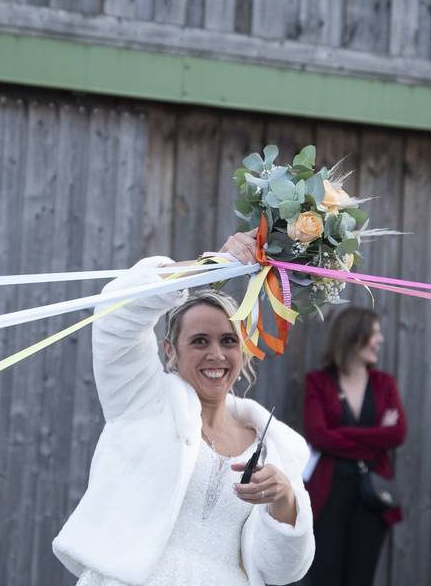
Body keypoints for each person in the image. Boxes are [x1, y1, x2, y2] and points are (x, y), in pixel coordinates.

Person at [52, 230, 315, 586]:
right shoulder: (142, 399)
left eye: (228, 341)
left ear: (245, 350)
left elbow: (280, 570)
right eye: (199, 342)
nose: (216, 355)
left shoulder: (275, 447)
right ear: (169, 350)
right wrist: (209, 267)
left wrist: (284, 501)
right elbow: (118, 311)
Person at [302, 307, 407, 586]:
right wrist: (376, 435)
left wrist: (343, 434)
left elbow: (397, 434)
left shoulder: (384, 384)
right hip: (329, 494)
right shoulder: (319, 382)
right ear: (353, 336)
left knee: (361, 579)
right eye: (374, 333)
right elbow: (318, 436)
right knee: (325, 576)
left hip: (372, 496)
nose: (380, 340)